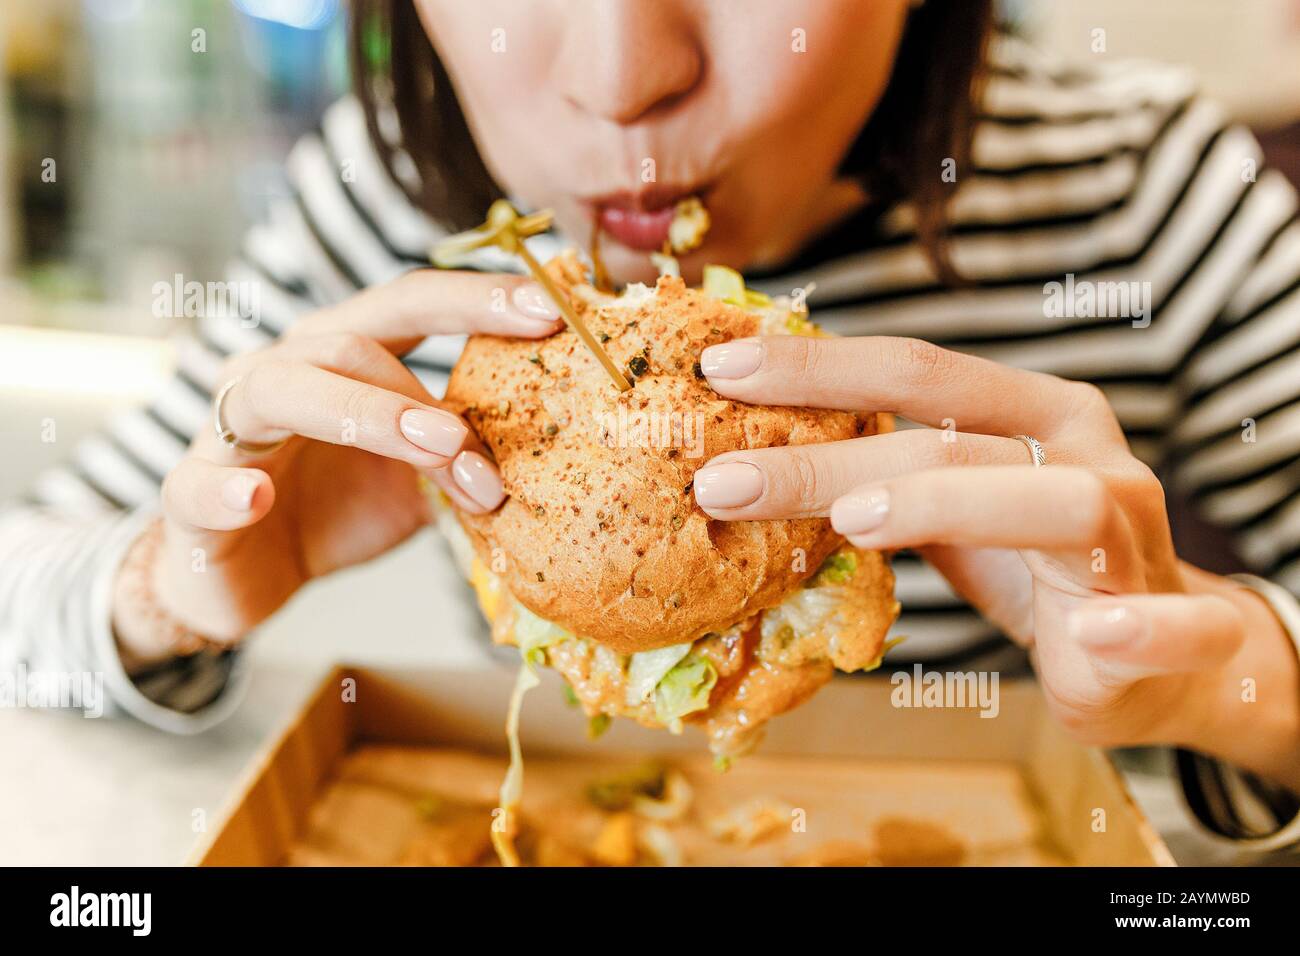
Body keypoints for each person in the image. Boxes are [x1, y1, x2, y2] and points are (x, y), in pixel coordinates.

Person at [3, 0, 1297, 852]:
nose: (625, 80)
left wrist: (1227, 681)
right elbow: (24, 582)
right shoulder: (390, 210)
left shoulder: (1147, 193)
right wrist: (168, 589)